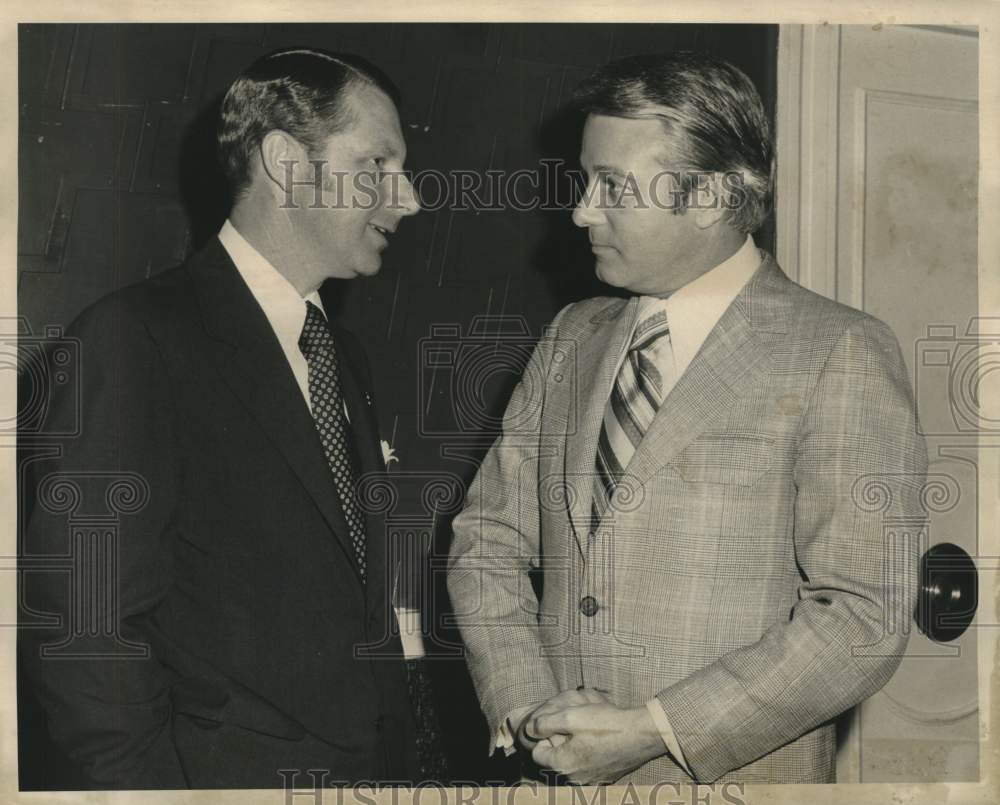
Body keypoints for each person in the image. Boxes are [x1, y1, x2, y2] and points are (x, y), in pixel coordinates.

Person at [447, 52, 927, 785]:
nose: (580, 210)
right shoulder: (572, 335)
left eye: (612, 185)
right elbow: (486, 540)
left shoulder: (839, 350)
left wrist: (656, 729)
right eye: (585, 179)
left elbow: (863, 614)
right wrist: (532, 708)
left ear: (709, 196)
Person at [21, 48, 421, 788]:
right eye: (378, 165)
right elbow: (88, 637)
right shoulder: (132, 339)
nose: (409, 199)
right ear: (285, 161)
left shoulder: (340, 354)